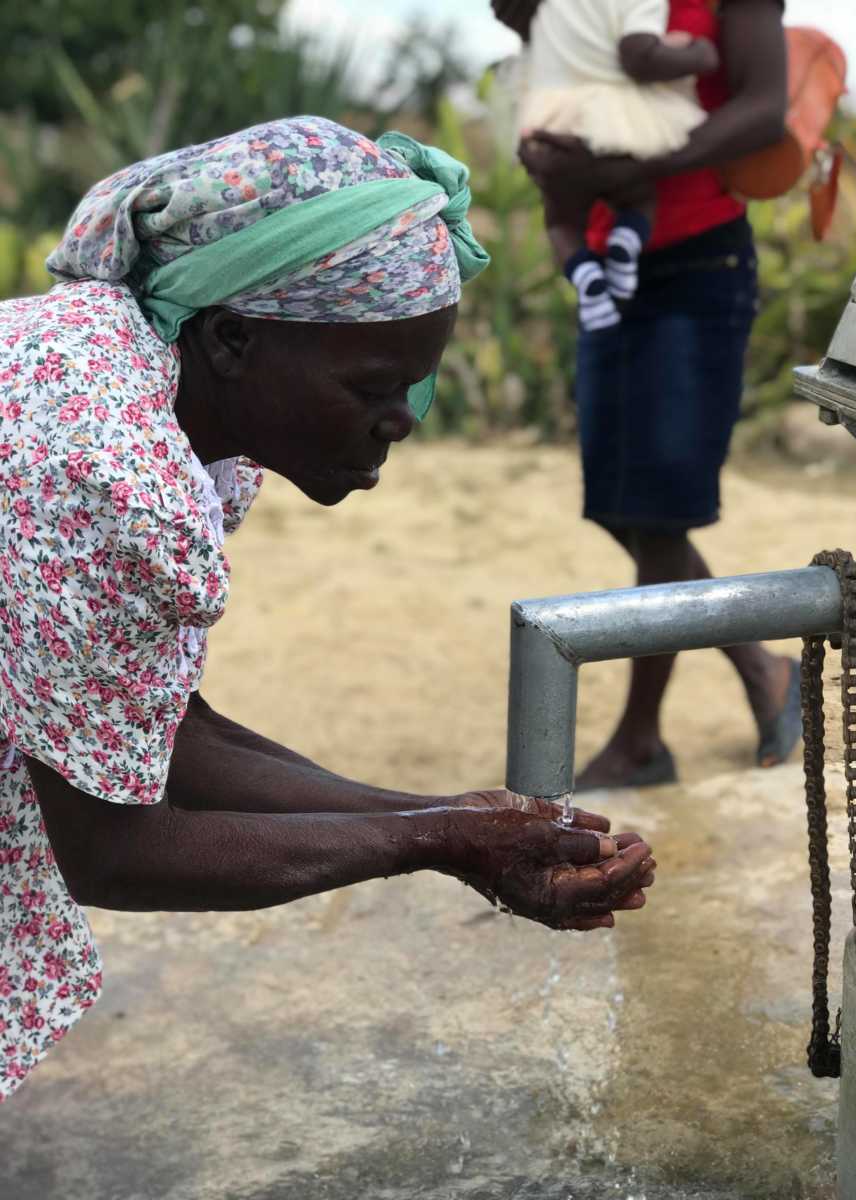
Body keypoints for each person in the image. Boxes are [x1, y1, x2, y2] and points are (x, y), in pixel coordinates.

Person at [0, 117, 655, 1101]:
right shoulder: (105, 465)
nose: (403, 418)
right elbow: (108, 846)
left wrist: (455, 815)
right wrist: (435, 842)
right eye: (374, 385)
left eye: (417, 384)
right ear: (233, 338)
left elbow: (155, 734)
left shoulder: (134, 380)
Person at [493, 0, 799, 788]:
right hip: (607, 261)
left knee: (659, 512)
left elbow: (765, 110)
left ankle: (641, 741)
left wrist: (641, 168)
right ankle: (763, 666)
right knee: (622, 506)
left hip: (699, 265)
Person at [518, 0, 721, 330]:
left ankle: (587, 281)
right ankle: (626, 241)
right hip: (612, 119)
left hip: (555, 115)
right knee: (638, 197)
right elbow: (640, 55)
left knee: (561, 221)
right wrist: (699, 54)